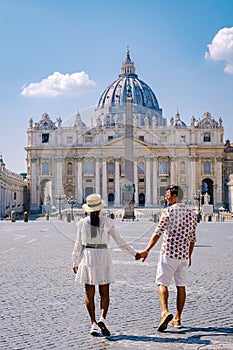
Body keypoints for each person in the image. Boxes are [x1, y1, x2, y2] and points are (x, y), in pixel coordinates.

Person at [72, 193, 137, 337]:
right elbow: (120, 242)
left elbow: (78, 245)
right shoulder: (108, 222)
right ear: (100, 208)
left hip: (88, 255)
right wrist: (135, 254)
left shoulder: (82, 223)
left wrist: (75, 262)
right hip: (103, 255)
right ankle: (103, 318)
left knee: (89, 294)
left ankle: (93, 324)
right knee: (105, 293)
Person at [136, 185, 197, 331]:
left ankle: (164, 312)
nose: (166, 197)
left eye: (168, 195)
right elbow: (193, 239)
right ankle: (177, 318)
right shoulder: (192, 214)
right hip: (183, 256)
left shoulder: (168, 212)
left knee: (162, 283)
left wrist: (147, 250)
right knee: (181, 286)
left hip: (168, 253)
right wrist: (189, 256)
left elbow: (158, 233)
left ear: (175, 196)